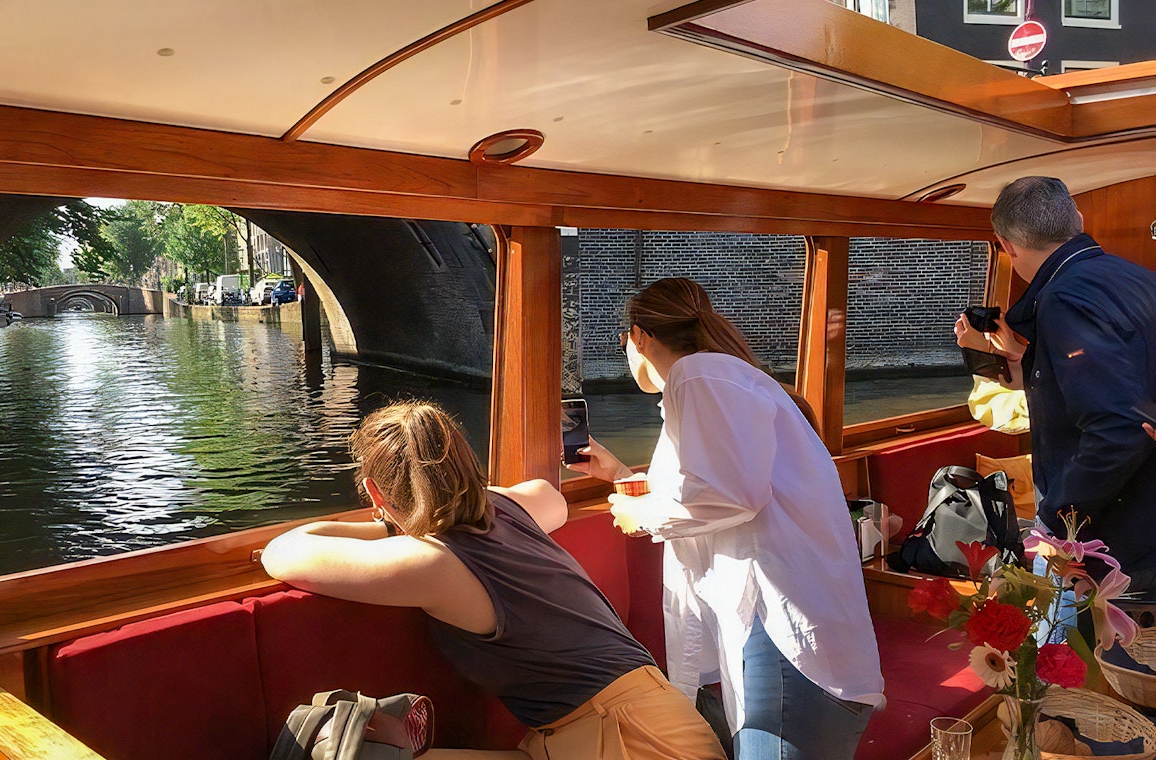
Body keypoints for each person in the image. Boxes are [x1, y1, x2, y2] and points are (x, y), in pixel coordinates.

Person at [261, 401, 725, 760]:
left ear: (378, 493)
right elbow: (552, 498)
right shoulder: (514, 509)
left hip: (623, 742)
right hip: (650, 722)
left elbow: (283, 553)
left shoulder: (430, 562)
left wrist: (391, 524)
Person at [568, 278, 884, 760]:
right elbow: (714, 488)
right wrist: (620, 474)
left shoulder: (698, 375)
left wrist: (642, 517)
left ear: (638, 337)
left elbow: (731, 495)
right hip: (790, 622)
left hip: (781, 627)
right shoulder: (726, 378)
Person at [955, 177, 1156, 596]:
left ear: (1005, 245)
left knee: (1099, 656)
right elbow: (1120, 384)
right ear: (1077, 221)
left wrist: (1057, 514)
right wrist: (1020, 363)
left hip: (1123, 537)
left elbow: (1119, 427)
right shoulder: (1137, 279)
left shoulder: (1064, 300)